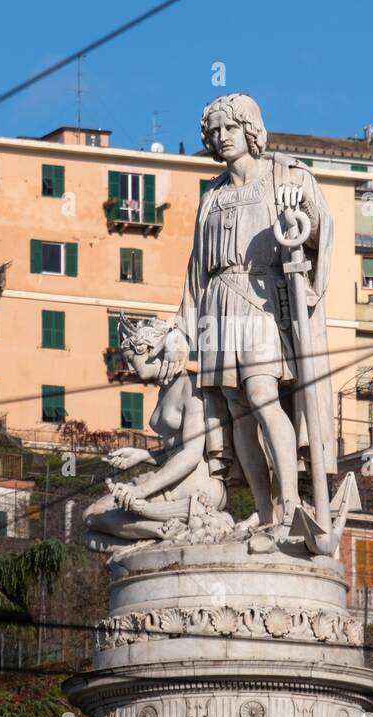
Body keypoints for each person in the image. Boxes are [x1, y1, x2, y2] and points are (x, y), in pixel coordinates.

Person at [160, 93, 336, 533]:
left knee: (261, 393)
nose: (221, 138)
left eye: (229, 128)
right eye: (214, 132)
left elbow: (317, 227)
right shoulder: (211, 198)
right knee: (237, 408)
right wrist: (183, 328)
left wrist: (303, 219)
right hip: (217, 303)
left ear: (250, 130)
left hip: (259, 297)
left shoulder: (284, 176)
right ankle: (263, 511)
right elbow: (195, 270)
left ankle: (291, 502)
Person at [83, 316, 227, 550]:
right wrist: (142, 455)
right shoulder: (164, 391)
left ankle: (166, 522)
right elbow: (174, 449)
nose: (130, 367)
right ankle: (165, 531)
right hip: (170, 477)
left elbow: (191, 454)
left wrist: (141, 491)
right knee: (90, 533)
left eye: (132, 359)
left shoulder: (191, 387)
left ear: (151, 351)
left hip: (194, 482)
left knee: (93, 516)